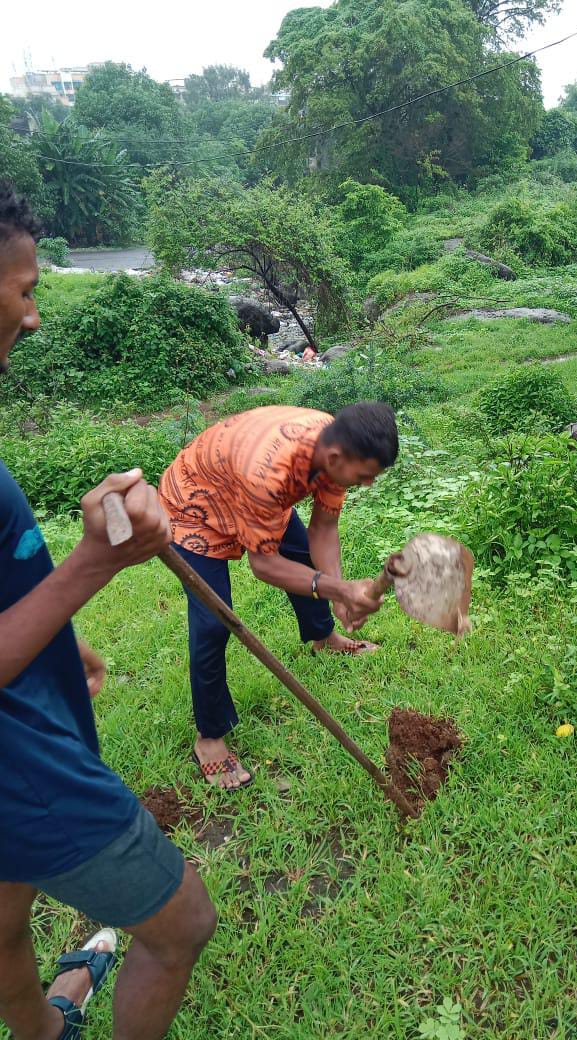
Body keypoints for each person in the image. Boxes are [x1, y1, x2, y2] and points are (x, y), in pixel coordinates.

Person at [0, 181, 216, 1040]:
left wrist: (62, 632)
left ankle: (42, 1032)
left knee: (5, 919)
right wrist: (97, 563)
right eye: (25, 289)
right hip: (19, 768)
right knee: (181, 928)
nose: (35, 315)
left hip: (27, 714)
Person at [158, 400, 398, 789]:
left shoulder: (334, 443)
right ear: (336, 457)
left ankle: (325, 638)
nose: (367, 484)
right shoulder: (269, 473)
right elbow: (265, 565)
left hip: (249, 494)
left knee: (302, 553)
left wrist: (338, 597)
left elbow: (323, 528)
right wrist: (338, 587)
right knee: (214, 622)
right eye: (366, 475)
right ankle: (210, 738)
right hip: (195, 506)